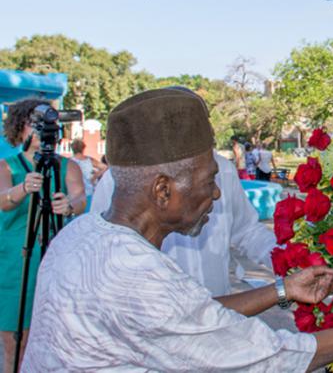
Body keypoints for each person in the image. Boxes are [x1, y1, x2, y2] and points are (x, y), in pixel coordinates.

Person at [23, 88, 333, 371]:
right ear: (163, 191)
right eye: (209, 182)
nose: (219, 196)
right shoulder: (136, 275)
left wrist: (283, 289)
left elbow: (188, 315)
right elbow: (278, 357)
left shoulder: (81, 237)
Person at [90, 90, 276, 294]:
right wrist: (282, 292)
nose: (216, 193)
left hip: (218, 304)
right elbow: (105, 248)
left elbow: (247, 231)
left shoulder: (224, 169)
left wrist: (289, 262)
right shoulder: (122, 181)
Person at [0, 99, 86, 372]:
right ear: (19, 128)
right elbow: (2, 200)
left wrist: (70, 206)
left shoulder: (66, 166)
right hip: (17, 262)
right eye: (31, 124)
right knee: (17, 339)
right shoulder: (7, 166)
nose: (38, 130)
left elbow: (80, 197)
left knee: (58, 336)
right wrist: (21, 189)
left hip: (56, 258)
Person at [70, 138, 107, 209]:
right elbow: (105, 167)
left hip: (74, 194)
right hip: (89, 192)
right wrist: (95, 176)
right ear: (83, 148)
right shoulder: (89, 160)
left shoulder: (69, 162)